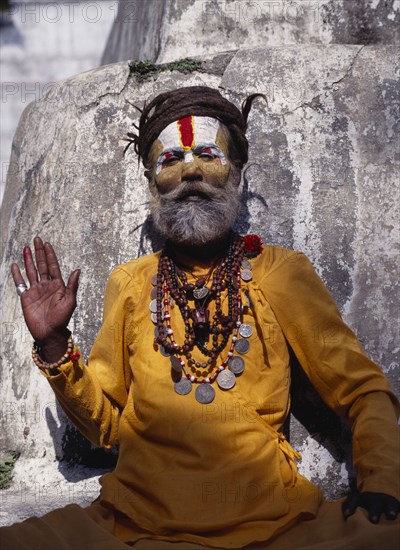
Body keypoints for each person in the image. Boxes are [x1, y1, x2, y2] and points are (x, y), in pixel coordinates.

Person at [1, 86, 399, 549]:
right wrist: (54, 346)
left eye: (207, 154)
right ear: (152, 184)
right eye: (170, 160)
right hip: (136, 525)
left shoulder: (281, 273)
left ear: (237, 174)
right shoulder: (131, 283)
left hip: (276, 526)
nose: (190, 170)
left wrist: (382, 484)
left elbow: (364, 389)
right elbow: (108, 426)